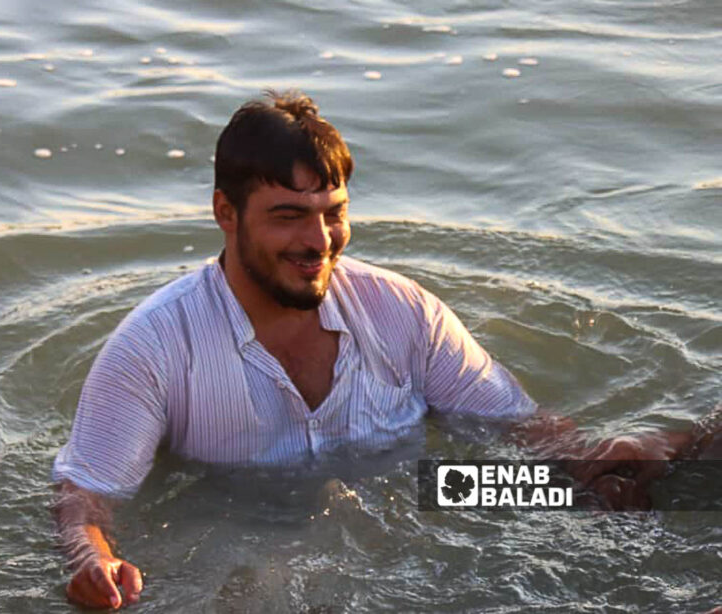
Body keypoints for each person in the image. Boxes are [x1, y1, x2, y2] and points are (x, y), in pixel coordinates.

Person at [50, 90, 706, 609]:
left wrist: (604, 465)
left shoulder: (401, 311)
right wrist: (93, 563)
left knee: (624, 487)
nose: (319, 240)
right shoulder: (154, 345)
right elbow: (86, 498)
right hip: (240, 545)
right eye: (287, 216)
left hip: (424, 507)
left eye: (332, 211)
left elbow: (523, 432)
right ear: (226, 212)